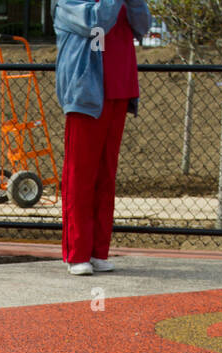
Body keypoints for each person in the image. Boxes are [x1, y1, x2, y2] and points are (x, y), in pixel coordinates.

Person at [53, 0, 151, 275]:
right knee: (80, 177)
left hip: (119, 89)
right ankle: (77, 253)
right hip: (86, 94)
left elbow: (143, 26)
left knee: (106, 177)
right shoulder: (68, 3)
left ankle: (98, 251)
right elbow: (97, 22)